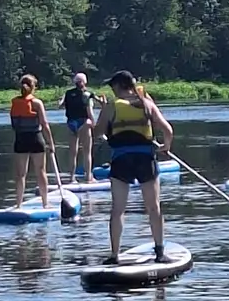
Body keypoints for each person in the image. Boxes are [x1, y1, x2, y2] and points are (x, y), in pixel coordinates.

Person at [96, 70, 175, 264]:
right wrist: (165, 146)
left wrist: (107, 130)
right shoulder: (147, 104)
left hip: (121, 160)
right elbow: (168, 130)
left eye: (112, 86)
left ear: (118, 86)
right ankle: (160, 252)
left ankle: (114, 255)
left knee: (118, 209)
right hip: (145, 160)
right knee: (154, 207)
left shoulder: (111, 106)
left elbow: (97, 132)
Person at [10, 74, 59, 208]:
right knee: (40, 171)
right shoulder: (37, 103)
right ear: (33, 87)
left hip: (20, 140)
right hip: (36, 139)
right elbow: (45, 124)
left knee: (20, 174)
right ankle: (45, 203)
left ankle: (18, 204)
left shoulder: (14, 102)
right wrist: (51, 143)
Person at [61, 73, 104, 181]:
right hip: (84, 123)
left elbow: (61, 105)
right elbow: (91, 110)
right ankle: (88, 176)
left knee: (73, 152)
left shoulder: (68, 93)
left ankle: (71, 178)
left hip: (71, 123)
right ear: (85, 82)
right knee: (87, 152)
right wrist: (94, 124)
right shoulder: (88, 94)